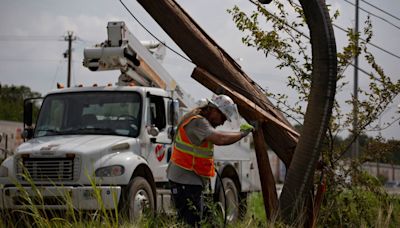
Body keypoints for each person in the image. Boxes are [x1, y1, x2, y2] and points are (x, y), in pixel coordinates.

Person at [167, 94, 254, 226]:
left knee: (208, 220)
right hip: (185, 180)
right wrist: (241, 134)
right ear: (214, 110)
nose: (223, 122)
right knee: (192, 222)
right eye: (223, 117)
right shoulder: (198, 122)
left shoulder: (200, 121)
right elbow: (220, 139)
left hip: (192, 180)